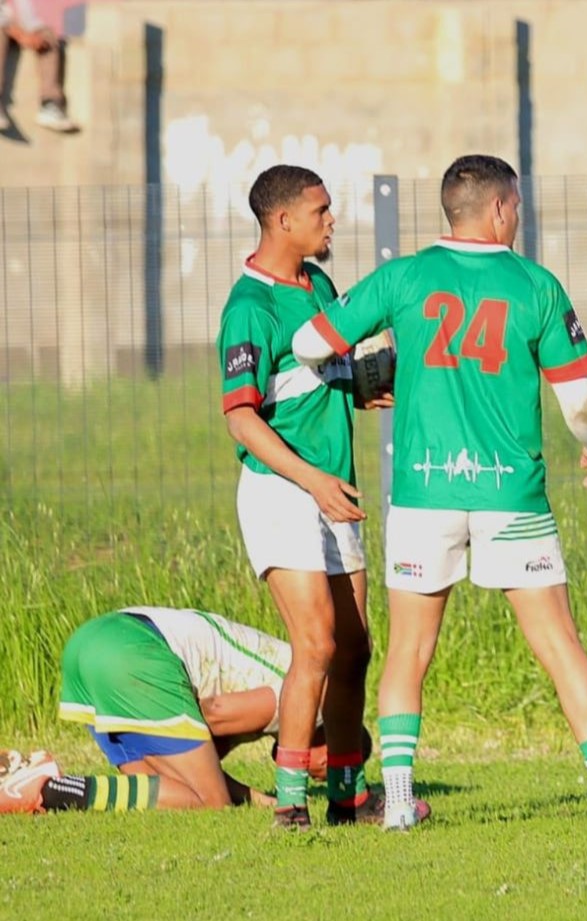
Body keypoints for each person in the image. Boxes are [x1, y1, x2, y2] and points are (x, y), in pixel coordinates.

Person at [291, 154, 587, 831]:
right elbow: (580, 398)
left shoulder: (404, 276)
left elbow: (306, 343)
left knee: (410, 650)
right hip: (512, 495)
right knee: (559, 643)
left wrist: (359, 375)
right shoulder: (535, 284)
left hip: (423, 493)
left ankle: (397, 806)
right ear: (501, 209)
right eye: (517, 207)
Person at [216, 165, 387, 829]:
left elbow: (316, 376)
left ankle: (348, 793)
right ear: (282, 221)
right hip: (281, 491)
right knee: (313, 643)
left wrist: (363, 387)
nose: (331, 220)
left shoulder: (317, 283)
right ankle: (291, 800)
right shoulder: (248, 309)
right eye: (320, 211)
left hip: (331, 486)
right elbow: (242, 417)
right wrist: (310, 478)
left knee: (354, 646)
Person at [0, 607, 368, 814]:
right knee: (212, 803)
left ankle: (40, 783)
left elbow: (199, 759)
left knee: (166, 794)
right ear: (330, 739)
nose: (323, 775)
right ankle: (47, 790)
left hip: (94, 644)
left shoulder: (293, 683)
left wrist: (259, 798)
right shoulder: (314, 695)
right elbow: (212, 714)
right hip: (134, 655)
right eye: (335, 765)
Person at [0, 0, 78, 133]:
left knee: (47, 35)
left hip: (10, 24)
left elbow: (27, 16)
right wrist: (22, 36)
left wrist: (35, 32)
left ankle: (50, 104)